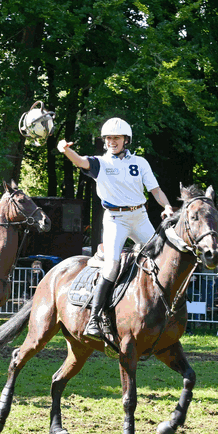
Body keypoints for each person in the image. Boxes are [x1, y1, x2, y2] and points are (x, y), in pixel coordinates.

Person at [58, 117, 176, 340]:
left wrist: (167, 205)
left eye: (116, 137)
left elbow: (156, 190)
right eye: (109, 138)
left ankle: (165, 314)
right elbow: (81, 161)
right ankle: (94, 319)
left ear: (126, 140)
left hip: (139, 216)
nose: (112, 141)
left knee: (162, 259)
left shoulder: (140, 162)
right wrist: (65, 150)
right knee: (111, 266)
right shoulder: (100, 163)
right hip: (115, 219)